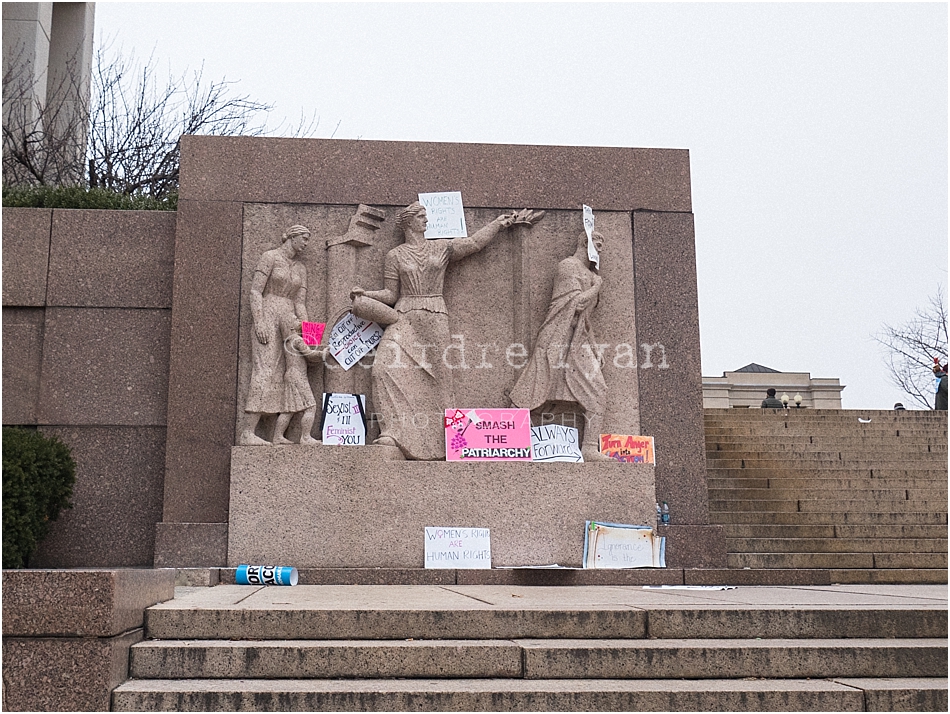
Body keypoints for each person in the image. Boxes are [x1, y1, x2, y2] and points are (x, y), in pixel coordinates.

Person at [350, 202, 521, 460]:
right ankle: (394, 432)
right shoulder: (395, 255)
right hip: (404, 315)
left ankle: (450, 442)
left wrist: (500, 223)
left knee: (441, 378)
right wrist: (365, 294)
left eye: (426, 217)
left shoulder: (441, 247)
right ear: (408, 222)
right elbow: (390, 294)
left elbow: (473, 243)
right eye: (421, 217)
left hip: (434, 315)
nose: (426, 222)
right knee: (382, 368)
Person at [509, 230, 610, 461]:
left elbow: (584, 319)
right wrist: (597, 286)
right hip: (556, 337)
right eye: (597, 242)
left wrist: (594, 347)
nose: (600, 248)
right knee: (534, 386)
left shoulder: (587, 272)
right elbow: (576, 304)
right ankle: (510, 436)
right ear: (585, 241)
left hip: (578, 340)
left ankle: (589, 447)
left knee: (598, 390)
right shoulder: (568, 267)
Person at [240, 225, 314, 445]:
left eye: (308, 240)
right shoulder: (270, 257)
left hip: (290, 320)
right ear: (291, 237)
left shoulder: (301, 268)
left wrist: (309, 331)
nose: (306, 243)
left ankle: (278, 435)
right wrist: (259, 320)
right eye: (304, 238)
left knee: (288, 374)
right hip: (269, 315)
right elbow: (255, 291)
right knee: (264, 370)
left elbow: (300, 303)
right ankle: (248, 432)